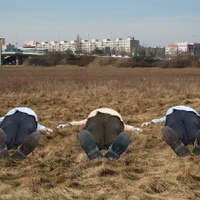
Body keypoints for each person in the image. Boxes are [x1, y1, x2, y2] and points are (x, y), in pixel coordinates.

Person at [57, 107, 142, 160]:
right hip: (112, 119)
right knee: (113, 131)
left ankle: (94, 149)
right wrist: (133, 128)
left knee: (95, 130)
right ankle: (112, 149)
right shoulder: (111, 115)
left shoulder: (94, 114)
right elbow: (123, 126)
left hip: (99, 119)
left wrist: (70, 124)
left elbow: (82, 122)